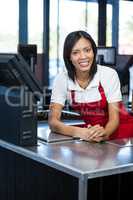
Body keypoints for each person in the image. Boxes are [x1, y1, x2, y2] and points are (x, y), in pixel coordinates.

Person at [48, 30, 133, 142]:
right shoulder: (62, 79)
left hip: (123, 134)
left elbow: (114, 120)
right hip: (91, 134)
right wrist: (79, 132)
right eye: (75, 52)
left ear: (93, 52)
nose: (83, 56)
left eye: (87, 50)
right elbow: (53, 122)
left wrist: (103, 134)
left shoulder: (108, 74)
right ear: (69, 56)